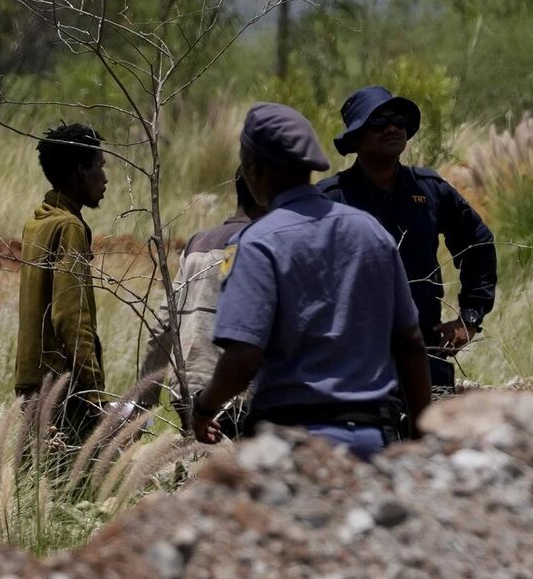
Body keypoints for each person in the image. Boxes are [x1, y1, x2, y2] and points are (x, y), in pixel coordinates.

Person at [189, 103, 432, 460]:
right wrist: (419, 437)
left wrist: (204, 406)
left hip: (292, 448)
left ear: (253, 170)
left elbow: (243, 358)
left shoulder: (255, 244)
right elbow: (411, 343)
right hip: (372, 442)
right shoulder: (371, 232)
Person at [319, 86, 496, 393]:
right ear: (357, 137)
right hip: (347, 363)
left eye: (398, 119)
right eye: (377, 121)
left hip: (422, 352)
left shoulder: (430, 190)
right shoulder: (330, 199)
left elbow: (478, 243)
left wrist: (470, 317)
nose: (391, 127)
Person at [134, 170, 266, 430]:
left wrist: (144, 401)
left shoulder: (197, 243)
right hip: (233, 391)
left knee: (196, 464)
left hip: (186, 384)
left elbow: (163, 326)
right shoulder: (261, 243)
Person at [14, 123, 110, 444]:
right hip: (64, 389)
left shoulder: (38, 221)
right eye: (99, 167)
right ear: (79, 172)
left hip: (34, 384)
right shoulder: (69, 227)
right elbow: (71, 316)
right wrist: (95, 391)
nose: (105, 178)